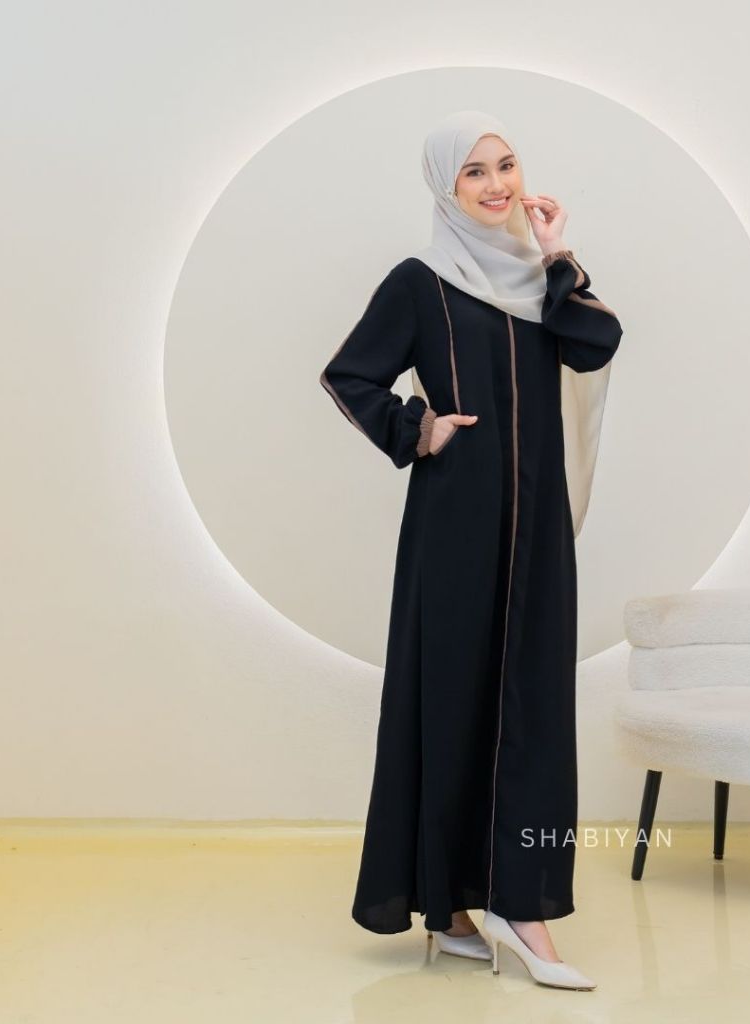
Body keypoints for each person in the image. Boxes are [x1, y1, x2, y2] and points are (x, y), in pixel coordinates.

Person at [319, 110, 622, 991]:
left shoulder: (544, 281)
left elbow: (595, 346)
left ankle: (518, 904)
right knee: (449, 699)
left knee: (530, 705)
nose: (497, 186)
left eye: (507, 166)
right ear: (446, 188)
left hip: (538, 527)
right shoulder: (421, 283)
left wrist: (558, 252)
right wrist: (420, 428)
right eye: (475, 173)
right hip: (454, 523)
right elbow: (350, 374)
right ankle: (450, 905)